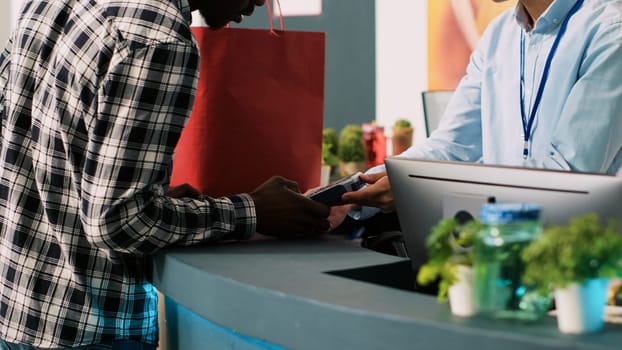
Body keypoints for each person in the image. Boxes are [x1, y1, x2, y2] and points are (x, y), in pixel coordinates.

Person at [0, 0, 330, 348]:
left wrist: (143, 196)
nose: (263, 1)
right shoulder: (158, 36)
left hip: (16, 312)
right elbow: (116, 223)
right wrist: (254, 211)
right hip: (89, 327)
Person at [339, 0, 622, 221]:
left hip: (577, 266)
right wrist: (348, 194)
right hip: (498, 250)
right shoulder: (499, 34)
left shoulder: (610, 32)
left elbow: (567, 178)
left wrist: (411, 188)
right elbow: (450, 146)